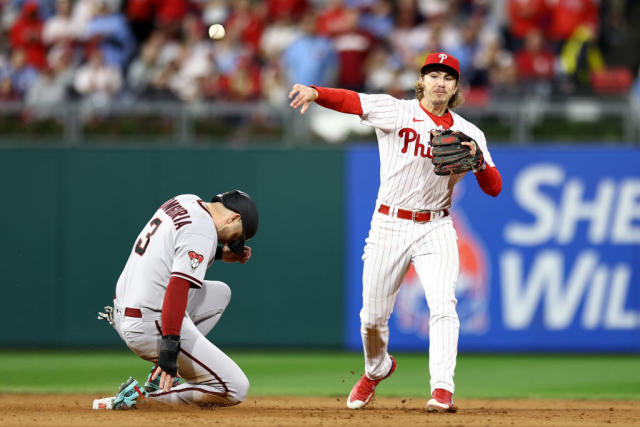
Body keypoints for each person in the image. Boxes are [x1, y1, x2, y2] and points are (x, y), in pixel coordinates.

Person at [288, 52, 502, 412]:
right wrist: (315, 91)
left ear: (455, 87)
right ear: (422, 81)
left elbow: (494, 187)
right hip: (389, 224)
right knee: (371, 319)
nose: (440, 82)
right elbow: (353, 101)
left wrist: (479, 162)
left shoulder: (470, 133)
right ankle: (376, 369)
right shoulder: (397, 111)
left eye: (448, 78)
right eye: (433, 75)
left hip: (436, 225)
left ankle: (442, 390)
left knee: (444, 306)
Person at [95, 190, 259, 409]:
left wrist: (219, 254)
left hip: (128, 307)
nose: (234, 241)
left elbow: (179, 246)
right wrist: (169, 349)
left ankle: (156, 380)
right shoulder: (203, 231)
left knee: (220, 293)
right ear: (233, 218)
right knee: (234, 388)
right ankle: (142, 400)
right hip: (149, 324)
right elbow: (177, 287)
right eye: (238, 235)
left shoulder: (185, 201)